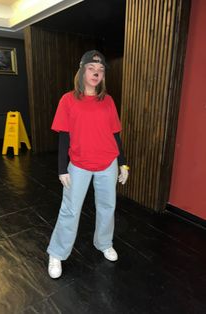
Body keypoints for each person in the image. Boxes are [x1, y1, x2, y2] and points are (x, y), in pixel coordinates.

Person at [47, 50, 129, 279]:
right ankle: (57, 253)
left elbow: (115, 135)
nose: (96, 72)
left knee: (107, 207)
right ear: (82, 71)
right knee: (70, 210)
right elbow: (63, 136)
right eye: (92, 68)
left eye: (101, 70)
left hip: (107, 163)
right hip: (79, 164)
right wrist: (62, 168)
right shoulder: (68, 99)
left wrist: (123, 163)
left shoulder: (108, 101)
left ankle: (104, 242)